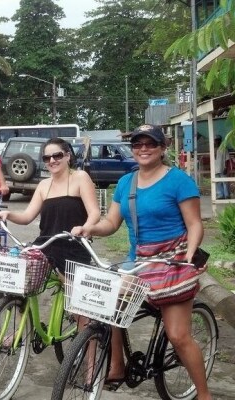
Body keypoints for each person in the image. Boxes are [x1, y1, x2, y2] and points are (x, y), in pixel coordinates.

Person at [72, 124, 211, 399]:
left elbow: (195, 224)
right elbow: (111, 222)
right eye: (138, 144)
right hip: (138, 262)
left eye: (150, 143)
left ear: (162, 148)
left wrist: (189, 254)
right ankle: (116, 365)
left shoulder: (179, 181)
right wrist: (89, 228)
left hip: (172, 262)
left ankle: (205, 395)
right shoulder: (126, 182)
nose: (144, 149)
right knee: (104, 304)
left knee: (178, 336)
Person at [0, 137, 100, 276]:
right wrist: (8, 214)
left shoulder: (80, 177)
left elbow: (94, 212)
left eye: (57, 155)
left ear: (67, 156)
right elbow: (27, 216)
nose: (52, 161)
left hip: (73, 245)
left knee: (71, 293)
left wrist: (85, 228)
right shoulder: (43, 185)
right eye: (47, 158)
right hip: (46, 246)